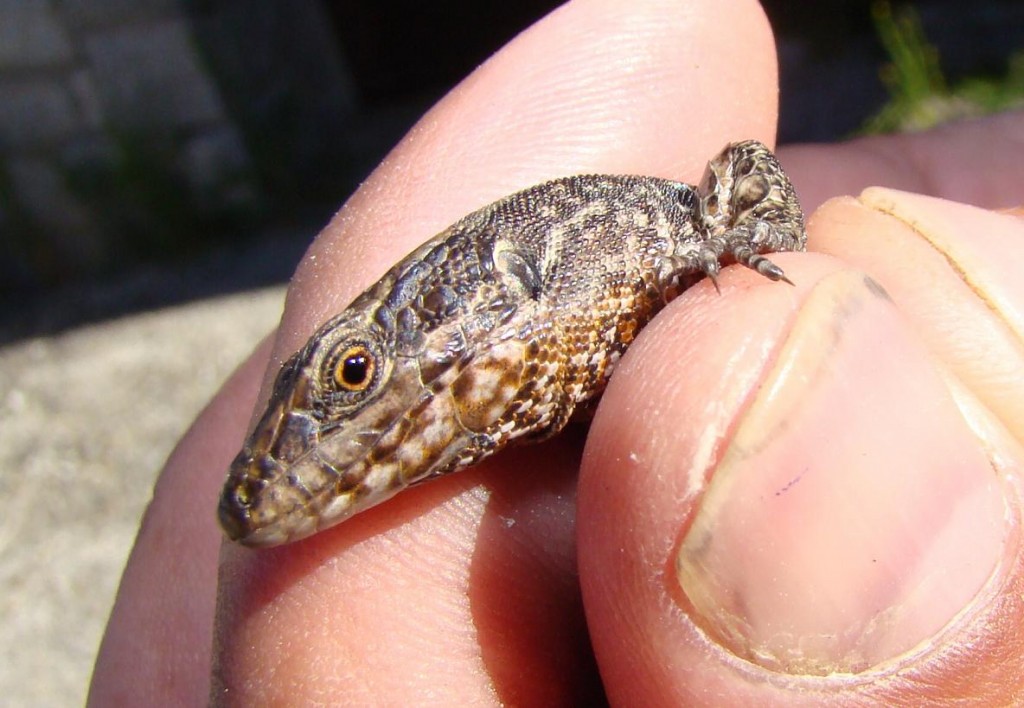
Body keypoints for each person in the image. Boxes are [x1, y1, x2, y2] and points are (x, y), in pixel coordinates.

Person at [89, 0, 1024, 704]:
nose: (354, 400)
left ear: (495, 280)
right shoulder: (523, 384)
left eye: (355, 372)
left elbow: (747, 164)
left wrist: (757, 248)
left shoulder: (668, 238)